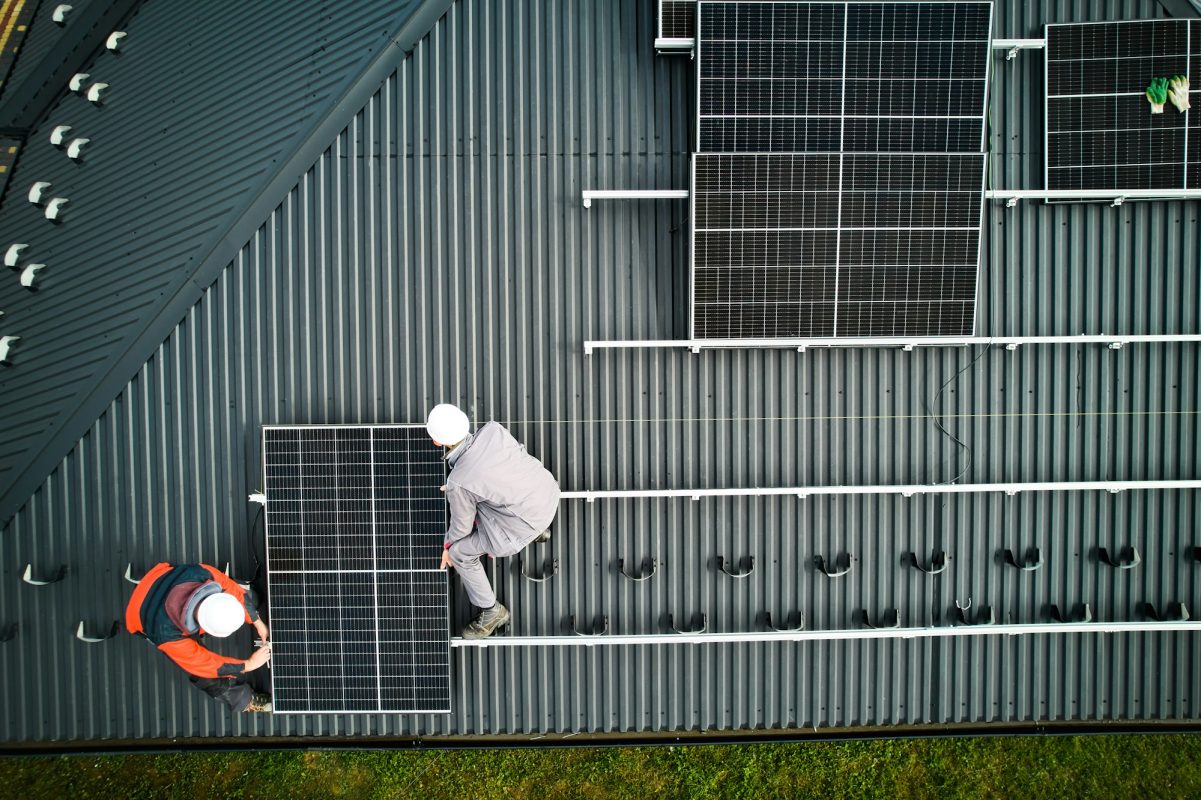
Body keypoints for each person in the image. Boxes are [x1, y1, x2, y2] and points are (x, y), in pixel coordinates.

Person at [428, 403, 561, 639]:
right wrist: (459, 489)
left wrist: (448, 547)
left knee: (461, 553)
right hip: (548, 495)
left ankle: (491, 611)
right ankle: (539, 530)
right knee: (482, 497)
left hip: (522, 525)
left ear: (437, 441)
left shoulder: (460, 481)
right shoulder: (493, 430)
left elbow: (461, 526)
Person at [125, 562, 273, 712]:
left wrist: (257, 621)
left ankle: (251, 609)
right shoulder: (167, 635)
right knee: (202, 673)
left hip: (156, 580)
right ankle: (244, 700)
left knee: (249, 600)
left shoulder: (202, 573)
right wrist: (249, 664)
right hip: (140, 614)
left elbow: (234, 590)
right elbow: (207, 665)